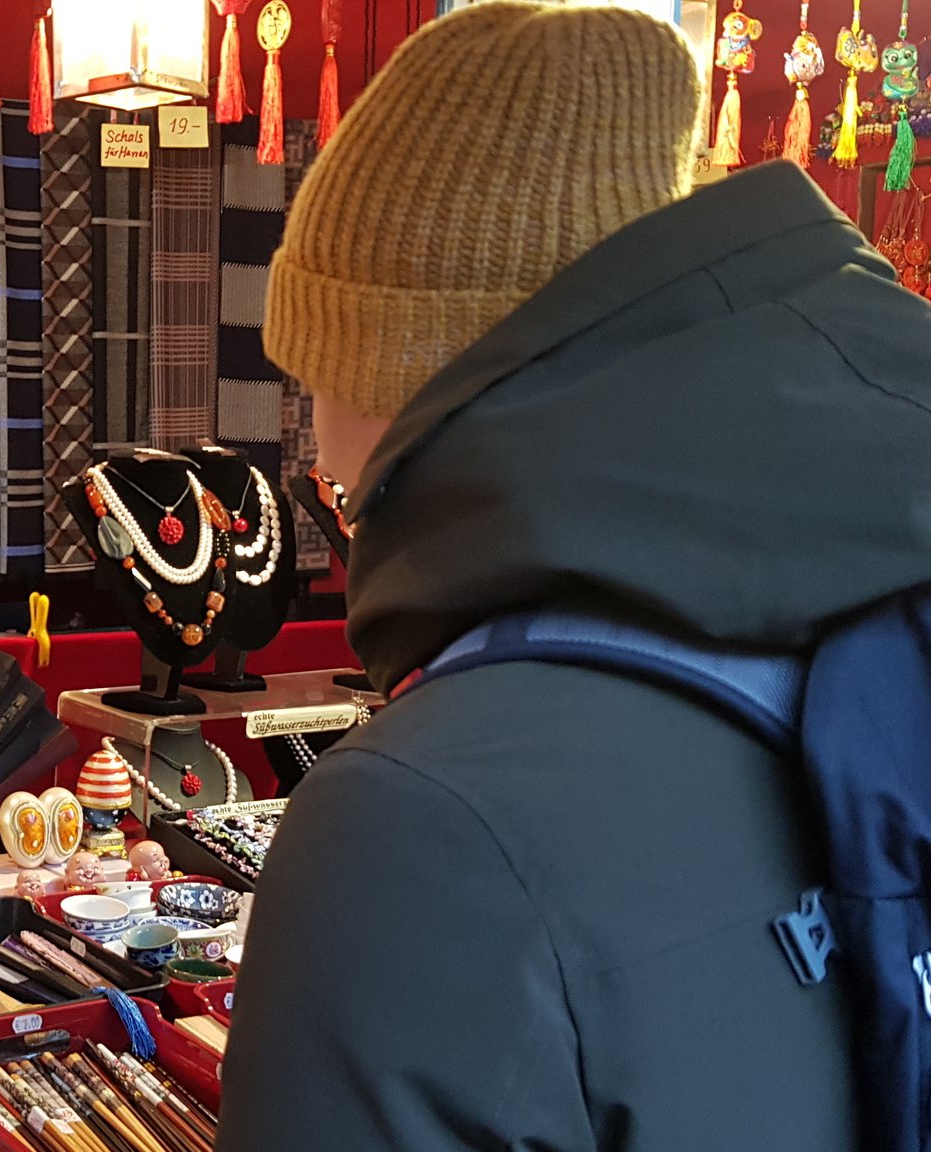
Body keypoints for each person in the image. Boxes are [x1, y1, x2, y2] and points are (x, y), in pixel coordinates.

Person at [221, 4, 915, 1149]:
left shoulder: (419, 825)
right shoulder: (884, 582)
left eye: (310, 382)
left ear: (392, 386)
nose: (311, 451)